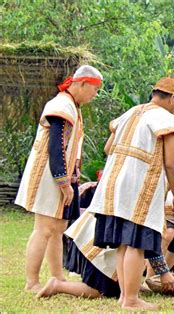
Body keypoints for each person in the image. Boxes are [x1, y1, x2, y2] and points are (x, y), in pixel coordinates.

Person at [86, 77, 174, 310]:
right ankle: (130, 299)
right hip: (138, 186)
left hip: (113, 184)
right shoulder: (166, 118)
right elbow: (172, 163)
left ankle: (124, 296)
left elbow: (108, 148)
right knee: (136, 244)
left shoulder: (131, 112)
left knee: (124, 243)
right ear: (172, 98)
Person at [15, 65, 103, 293]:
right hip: (49, 176)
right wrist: (64, 183)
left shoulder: (72, 105)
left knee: (58, 229)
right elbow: (56, 146)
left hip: (59, 176)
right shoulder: (62, 105)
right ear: (83, 83)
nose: (95, 95)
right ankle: (32, 282)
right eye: (94, 90)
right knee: (44, 228)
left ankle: (57, 277)